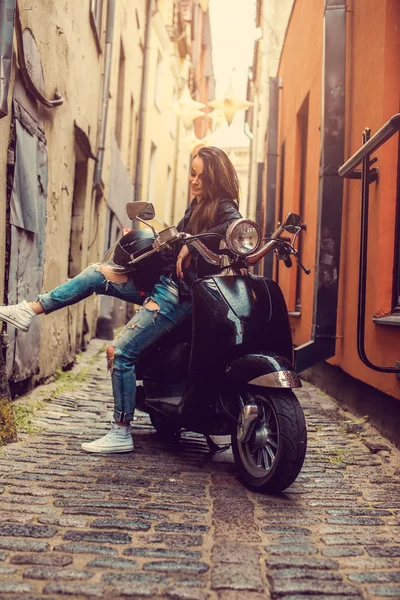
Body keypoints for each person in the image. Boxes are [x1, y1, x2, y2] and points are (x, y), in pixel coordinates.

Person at [0, 146, 242, 453]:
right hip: (161, 283)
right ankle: (29, 309)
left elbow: (236, 228)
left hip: (177, 296)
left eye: (202, 176)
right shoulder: (196, 206)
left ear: (216, 177)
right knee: (94, 273)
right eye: (192, 173)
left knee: (122, 352)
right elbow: (178, 239)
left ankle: (121, 431)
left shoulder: (222, 205)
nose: (194, 181)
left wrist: (193, 246)